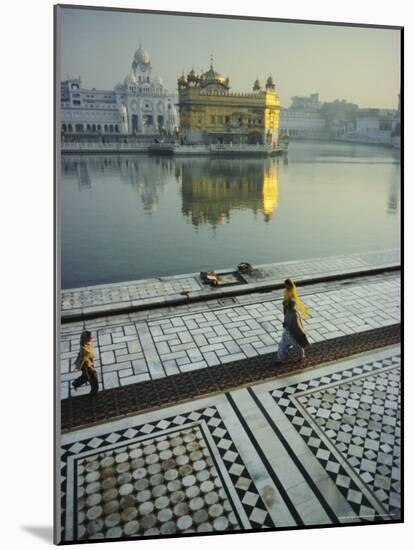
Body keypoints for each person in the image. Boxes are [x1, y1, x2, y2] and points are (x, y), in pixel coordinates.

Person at [276, 298, 309, 363]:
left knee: (297, 347)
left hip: (293, 334)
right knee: (282, 346)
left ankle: (300, 357)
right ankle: (280, 359)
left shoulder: (295, 314)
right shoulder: (287, 310)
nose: (286, 307)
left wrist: (302, 336)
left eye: (288, 305)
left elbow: (298, 325)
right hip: (286, 332)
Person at [72, 330, 99, 395]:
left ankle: (76, 383)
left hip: (89, 363)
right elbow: (82, 359)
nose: (91, 338)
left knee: (86, 377)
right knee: (93, 377)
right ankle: (93, 392)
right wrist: (86, 367)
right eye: (89, 337)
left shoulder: (88, 343)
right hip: (86, 365)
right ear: (86, 338)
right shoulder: (84, 348)